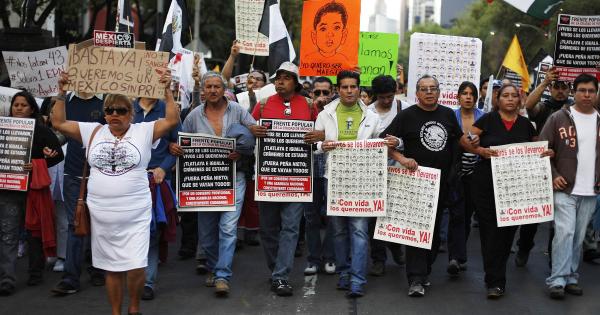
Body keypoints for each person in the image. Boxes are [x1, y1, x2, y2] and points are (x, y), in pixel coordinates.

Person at [51, 71, 179, 315]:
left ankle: (133, 308)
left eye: (121, 110)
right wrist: (62, 91)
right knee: (111, 268)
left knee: (137, 265)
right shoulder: (93, 131)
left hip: (136, 213)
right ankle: (116, 312)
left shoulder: (143, 130)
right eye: (110, 110)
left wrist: (167, 91)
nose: (114, 115)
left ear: (131, 113)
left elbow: (172, 120)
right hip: (102, 213)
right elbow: (58, 123)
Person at [460, 83, 552, 299]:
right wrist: (480, 150)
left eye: (514, 96)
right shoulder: (487, 120)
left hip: (515, 188)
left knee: (507, 232)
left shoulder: (527, 125)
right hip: (485, 185)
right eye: (505, 96)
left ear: (519, 100)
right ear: (498, 100)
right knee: (490, 231)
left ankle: (497, 271)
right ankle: (494, 280)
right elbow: (466, 140)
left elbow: (536, 149)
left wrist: (546, 153)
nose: (510, 99)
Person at [171, 72, 256, 296]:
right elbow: (182, 142)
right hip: (204, 181)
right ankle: (212, 266)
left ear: (223, 88)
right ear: (203, 90)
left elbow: (254, 134)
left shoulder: (238, 111)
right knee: (207, 232)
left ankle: (222, 275)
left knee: (228, 228)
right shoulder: (193, 116)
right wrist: (175, 148)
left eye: (217, 86)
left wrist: (242, 149)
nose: (212, 90)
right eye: (208, 86)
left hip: (234, 177)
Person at [381, 75, 464, 297]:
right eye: (424, 89)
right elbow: (383, 141)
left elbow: (458, 140)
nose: (429, 92)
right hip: (414, 182)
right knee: (418, 230)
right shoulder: (406, 116)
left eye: (433, 88)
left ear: (439, 92)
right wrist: (401, 158)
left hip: (442, 182)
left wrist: (473, 145)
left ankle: (424, 270)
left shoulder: (447, 114)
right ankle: (415, 278)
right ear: (416, 93)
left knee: (435, 233)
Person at [249, 62, 322, 296]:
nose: (280, 81)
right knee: (268, 228)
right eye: (277, 78)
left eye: (286, 78)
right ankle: (276, 270)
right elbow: (249, 128)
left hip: (297, 179)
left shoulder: (309, 106)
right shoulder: (262, 104)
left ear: (295, 83)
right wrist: (253, 130)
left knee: (290, 227)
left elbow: (323, 132)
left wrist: (318, 135)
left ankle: (281, 275)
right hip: (269, 178)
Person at [315, 70, 383, 297]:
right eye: (344, 87)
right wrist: (321, 146)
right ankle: (344, 273)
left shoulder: (373, 117)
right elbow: (314, 142)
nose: (349, 91)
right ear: (338, 90)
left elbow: (380, 147)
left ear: (359, 89)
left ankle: (357, 279)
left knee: (360, 230)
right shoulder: (325, 114)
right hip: (333, 178)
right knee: (338, 230)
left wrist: (393, 142)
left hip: (363, 180)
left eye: (353, 87)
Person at [0, 91, 63, 296]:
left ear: (32, 109)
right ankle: (7, 279)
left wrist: (38, 164)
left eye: (23, 105)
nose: (18, 108)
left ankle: (35, 272)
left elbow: (57, 155)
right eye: (16, 105)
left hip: (33, 190)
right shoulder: (3, 128)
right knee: (8, 234)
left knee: (34, 233)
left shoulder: (42, 130)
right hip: (9, 189)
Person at [542, 74, 599, 299]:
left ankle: (571, 277)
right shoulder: (558, 118)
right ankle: (557, 280)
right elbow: (542, 149)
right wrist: (554, 174)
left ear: (596, 93)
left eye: (591, 91)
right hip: (564, 187)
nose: (586, 95)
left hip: (591, 190)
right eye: (582, 90)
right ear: (573, 91)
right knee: (565, 232)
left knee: (578, 236)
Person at [519, 67, 577, 266]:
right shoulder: (544, 107)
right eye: (556, 87)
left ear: (570, 90)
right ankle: (524, 248)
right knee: (533, 215)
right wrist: (544, 82)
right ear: (551, 89)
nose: (560, 91)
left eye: (564, 87)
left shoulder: (575, 109)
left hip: (565, 169)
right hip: (541, 166)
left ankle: (556, 261)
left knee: (560, 219)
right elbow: (528, 106)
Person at [51, 90, 106, 295]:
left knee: (98, 223)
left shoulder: (107, 101)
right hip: (73, 174)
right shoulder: (67, 100)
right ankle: (70, 278)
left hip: (101, 174)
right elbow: (62, 130)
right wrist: (53, 145)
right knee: (76, 224)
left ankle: (97, 268)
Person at [133, 96, 181, 301]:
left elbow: (178, 145)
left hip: (158, 181)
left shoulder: (168, 110)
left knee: (152, 232)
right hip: (129, 181)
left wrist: (164, 167)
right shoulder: (125, 108)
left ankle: (147, 282)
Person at [366, 75, 406, 276]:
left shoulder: (404, 109)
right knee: (375, 218)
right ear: (375, 96)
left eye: (390, 96)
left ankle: (396, 245)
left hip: (399, 171)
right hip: (373, 172)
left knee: (396, 214)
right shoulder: (367, 113)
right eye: (382, 97)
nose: (387, 101)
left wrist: (398, 144)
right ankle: (378, 258)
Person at [447, 81, 484, 275]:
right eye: (464, 93)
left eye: (472, 94)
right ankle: (454, 256)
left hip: (476, 174)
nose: (468, 97)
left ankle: (459, 255)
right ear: (458, 97)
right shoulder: (451, 116)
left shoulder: (483, 118)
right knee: (456, 214)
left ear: (476, 98)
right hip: (456, 173)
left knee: (467, 215)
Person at [304, 76, 336, 276]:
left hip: (332, 170)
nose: (322, 97)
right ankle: (313, 259)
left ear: (332, 92)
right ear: (311, 93)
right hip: (309, 170)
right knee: (310, 217)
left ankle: (330, 257)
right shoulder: (305, 111)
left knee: (333, 216)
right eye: (318, 93)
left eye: (326, 92)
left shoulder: (336, 113)